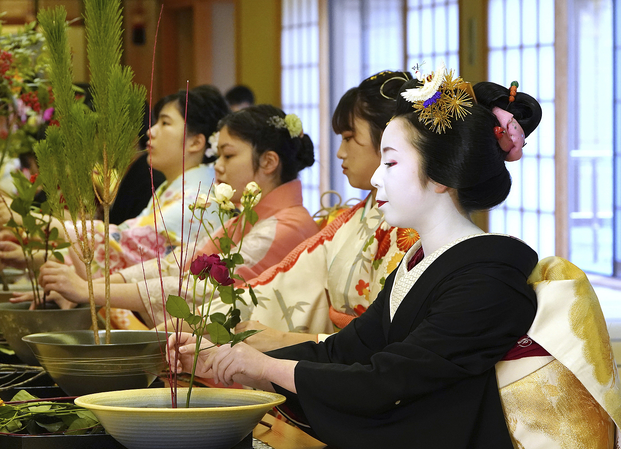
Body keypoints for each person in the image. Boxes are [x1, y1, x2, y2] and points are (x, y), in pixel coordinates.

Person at [169, 65, 544, 448]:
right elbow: (345, 350)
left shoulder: (490, 276)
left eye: (391, 163)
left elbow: (388, 381)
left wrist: (266, 367)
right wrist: (233, 358)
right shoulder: (419, 259)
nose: (377, 178)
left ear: (441, 173)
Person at [17, 105, 320, 328]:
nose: (218, 165)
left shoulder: (282, 225)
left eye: (228, 156)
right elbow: (178, 262)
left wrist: (91, 289)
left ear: (268, 162)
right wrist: (91, 289)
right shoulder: (245, 216)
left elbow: (198, 289)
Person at [233, 71, 418, 351]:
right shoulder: (353, 218)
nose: (340, 152)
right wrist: (204, 319)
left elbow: (387, 339)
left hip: (363, 362)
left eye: (349, 137)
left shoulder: (411, 229)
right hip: (341, 353)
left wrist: (283, 340)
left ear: (389, 140)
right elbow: (283, 283)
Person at [0, 85, 229, 278]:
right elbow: (120, 241)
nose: (151, 131)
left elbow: (122, 245)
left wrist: (33, 221)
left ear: (196, 142)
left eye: (165, 123)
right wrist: (32, 257)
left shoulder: (199, 200)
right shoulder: (173, 188)